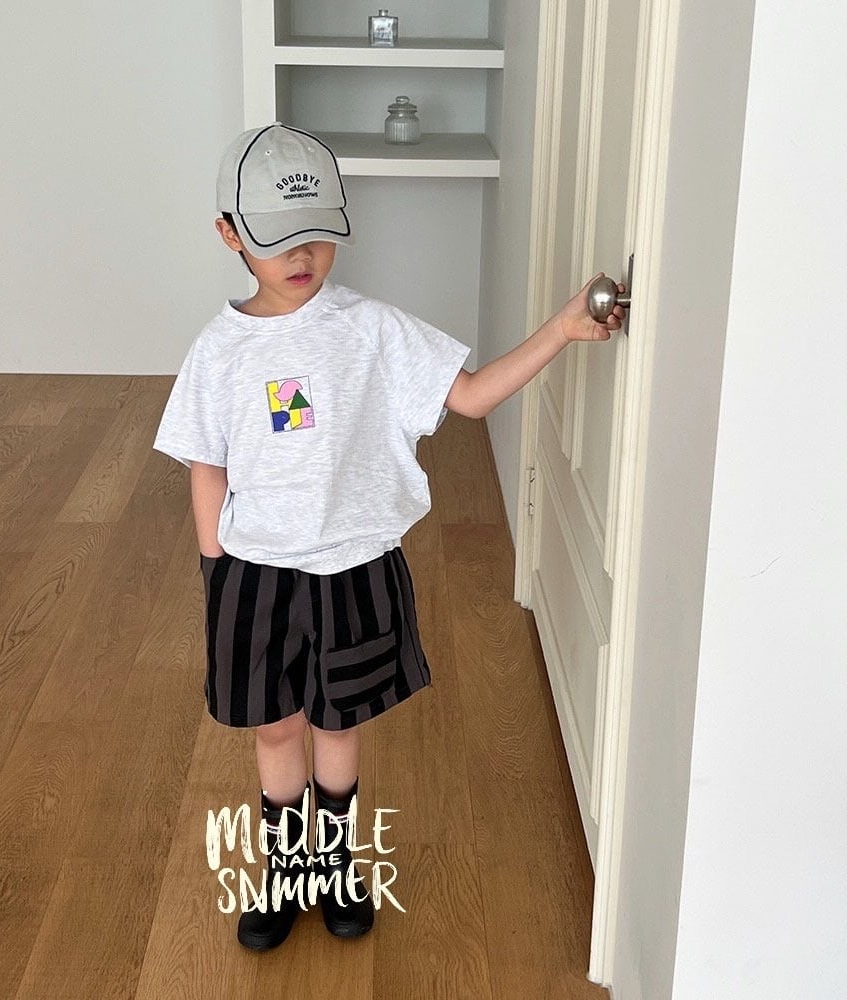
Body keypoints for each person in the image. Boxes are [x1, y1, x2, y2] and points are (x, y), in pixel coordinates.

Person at [153, 123, 623, 952]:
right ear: (229, 234)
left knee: (337, 724)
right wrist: (215, 573)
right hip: (254, 574)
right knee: (276, 728)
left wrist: (561, 329)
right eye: (276, 238)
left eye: (316, 233)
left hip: (356, 566)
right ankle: (285, 873)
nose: (302, 255)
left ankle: (336, 870)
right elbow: (206, 465)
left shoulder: (372, 329)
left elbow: (470, 396)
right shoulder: (218, 351)